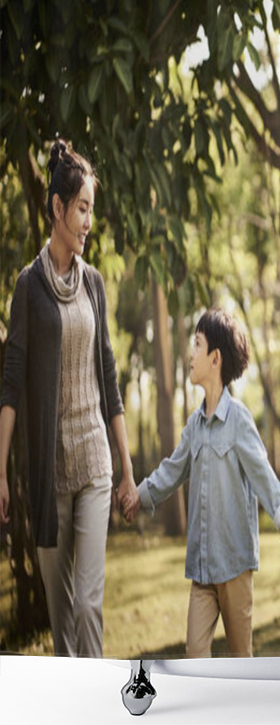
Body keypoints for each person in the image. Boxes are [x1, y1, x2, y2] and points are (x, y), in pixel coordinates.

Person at [0, 138, 137, 657]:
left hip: (95, 465)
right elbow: (11, 384)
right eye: (81, 209)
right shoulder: (28, 288)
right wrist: (0, 473)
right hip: (49, 475)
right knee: (63, 629)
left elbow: (108, 375)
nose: (88, 221)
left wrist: (125, 466)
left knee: (88, 605)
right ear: (57, 208)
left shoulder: (95, 285)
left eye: (91, 211)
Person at [120, 308, 280, 658]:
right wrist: (138, 497)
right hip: (202, 571)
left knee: (239, 662)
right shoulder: (194, 425)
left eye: (197, 345)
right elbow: (171, 470)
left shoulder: (239, 421)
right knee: (195, 656)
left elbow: (263, 474)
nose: (190, 354)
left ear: (215, 358)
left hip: (234, 568)